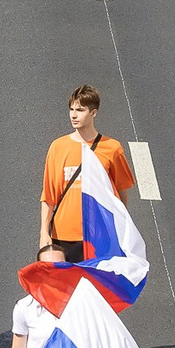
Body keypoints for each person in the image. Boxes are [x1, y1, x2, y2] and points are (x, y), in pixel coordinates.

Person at [39, 85, 136, 259]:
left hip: (101, 236)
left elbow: (121, 193)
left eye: (80, 110)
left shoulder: (112, 148)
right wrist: (44, 234)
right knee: (67, 286)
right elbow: (48, 197)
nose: (74, 115)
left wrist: (122, 228)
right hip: (63, 235)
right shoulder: (58, 147)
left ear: (93, 113)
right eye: (71, 109)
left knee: (100, 285)